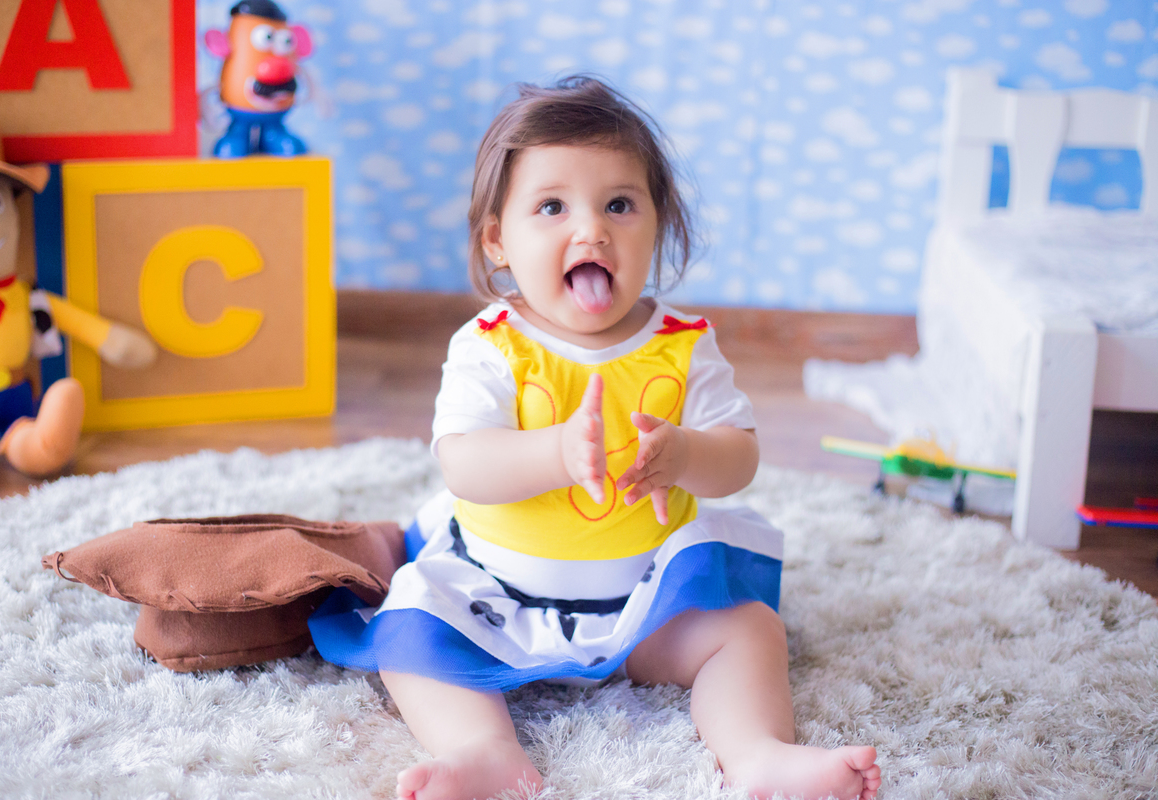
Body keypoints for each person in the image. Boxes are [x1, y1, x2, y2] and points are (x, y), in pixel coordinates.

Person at [309, 76, 881, 800]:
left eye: (619, 204)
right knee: (410, 631)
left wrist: (686, 454)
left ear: (660, 225)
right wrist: (551, 454)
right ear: (498, 240)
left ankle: (760, 755)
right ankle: (485, 751)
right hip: (497, 593)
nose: (592, 230)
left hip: (649, 602)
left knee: (751, 630)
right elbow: (463, 464)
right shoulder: (491, 345)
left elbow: (740, 454)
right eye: (552, 206)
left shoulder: (681, 345)